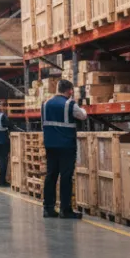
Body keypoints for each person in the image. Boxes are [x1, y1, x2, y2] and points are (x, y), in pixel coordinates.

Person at [42, 79, 88, 219]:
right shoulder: (69, 104)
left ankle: (48, 208)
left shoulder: (45, 104)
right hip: (66, 146)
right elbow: (83, 115)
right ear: (70, 91)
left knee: (51, 176)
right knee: (66, 177)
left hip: (50, 146)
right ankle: (65, 209)